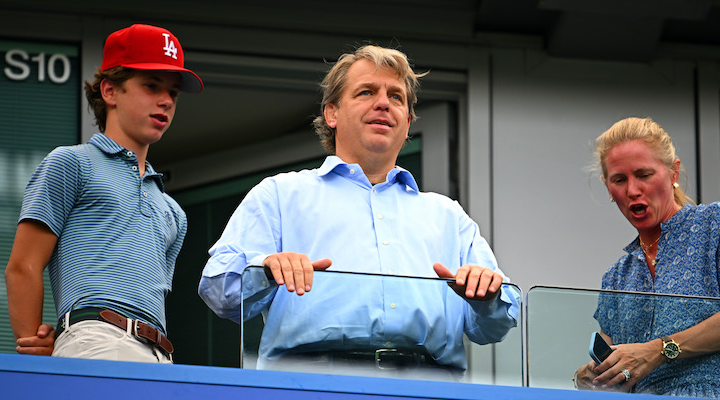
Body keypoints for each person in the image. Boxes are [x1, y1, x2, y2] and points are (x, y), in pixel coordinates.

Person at [199, 44, 519, 380]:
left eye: (396, 97)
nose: (383, 103)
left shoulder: (448, 216)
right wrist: (264, 270)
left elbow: (497, 325)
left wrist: (488, 295)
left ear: (407, 122)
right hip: (311, 386)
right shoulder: (280, 195)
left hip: (429, 387)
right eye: (366, 92)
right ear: (332, 114)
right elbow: (218, 291)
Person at [4, 24, 203, 363]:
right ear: (110, 91)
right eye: (151, 86)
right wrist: (31, 347)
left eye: (173, 93)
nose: (166, 100)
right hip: (94, 340)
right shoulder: (72, 163)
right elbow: (23, 265)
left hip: (160, 354)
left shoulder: (173, 211)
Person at [574, 117, 720, 399]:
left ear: (673, 173)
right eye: (619, 180)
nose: (632, 190)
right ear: (608, 187)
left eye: (644, 175)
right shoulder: (615, 277)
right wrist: (588, 376)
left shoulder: (718, 223)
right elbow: (616, 369)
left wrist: (659, 350)